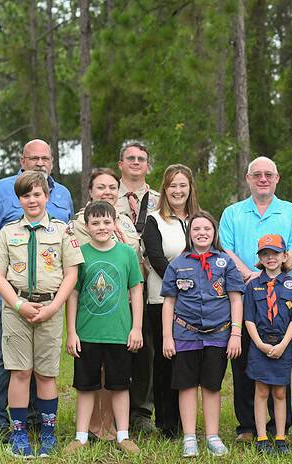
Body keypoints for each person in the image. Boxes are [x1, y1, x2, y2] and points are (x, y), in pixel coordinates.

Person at [0, 139, 74, 440]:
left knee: (40, 362)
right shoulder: (2, 190)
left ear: (52, 162)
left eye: (45, 158)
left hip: (49, 298)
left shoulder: (63, 194)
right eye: (34, 158)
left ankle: (33, 418)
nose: (40, 163)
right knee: (6, 359)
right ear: (22, 159)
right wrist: (5, 273)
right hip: (11, 296)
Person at [0, 171, 83, 457]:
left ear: (47, 197)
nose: (32, 200)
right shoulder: (8, 233)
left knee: (46, 374)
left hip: (49, 308)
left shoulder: (63, 231)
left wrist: (53, 307)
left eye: (37, 194)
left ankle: (48, 435)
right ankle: (19, 436)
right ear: (19, 200)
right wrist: (18, 305)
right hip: (17, 310)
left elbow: (71, 273)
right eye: (26, 195)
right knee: (20, 371)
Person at [219, 156, 292, 440]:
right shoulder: (232, 213)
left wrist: (275, 273)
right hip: (243, 295)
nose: (263, 179)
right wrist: (253, 275)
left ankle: (280, 426)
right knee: (245, 360)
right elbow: (226, 251)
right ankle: (248, 426)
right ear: (248, 178)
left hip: (281, 299)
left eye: (268, 174)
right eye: (256, 174)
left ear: (277, 178)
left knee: (279, 357)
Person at [161, 210, 245, 457]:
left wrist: (236, 334)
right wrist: (168, 336)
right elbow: (168, 302)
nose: (202, 233)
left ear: (214, 232)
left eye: (207, 229)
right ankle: (189, 437)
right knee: (186, 385)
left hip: (218, 334)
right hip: (185, 334)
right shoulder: (178, 264)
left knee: (211, 385)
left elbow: (236, 299)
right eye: (196, 229)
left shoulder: (225, 262)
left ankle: (212, 435)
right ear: (190, 234)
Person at [64, 201, 144, 455]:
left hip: (119, 332)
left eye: (106, 222)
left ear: (115, 224)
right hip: (87, 332)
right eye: (95, 223)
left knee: (119, 385)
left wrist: (137, 328)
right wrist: (72, 331)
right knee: (86, 386)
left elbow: (136, 291)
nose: (101, 227)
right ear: (86, 227)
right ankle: (81, 436)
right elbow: (73, 294)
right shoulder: (80, 255)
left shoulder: (126, 254)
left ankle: (122, 435)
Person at [142, 164, 199, 437]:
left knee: (189, 361)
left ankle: (186, 420)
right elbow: (155, 259)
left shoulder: (199, 219)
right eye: (172, 185)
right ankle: (166, 423)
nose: (178, 191)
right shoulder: (155, 220)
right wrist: (181, 286)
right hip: (162, 299)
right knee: (165, 360)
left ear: (190, 189)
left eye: (182, 185)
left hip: (198, 302)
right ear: (164, 189)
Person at [244, 234, 292, 455]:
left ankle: (280, 437)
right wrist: (259, 344)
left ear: (284, 256)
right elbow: (248, 318)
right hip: (259, 345)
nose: (270, 258)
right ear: (259, 257)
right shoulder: (253, 286)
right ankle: (261, 437)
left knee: (280, 392)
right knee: (261, 391)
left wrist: (283, 344)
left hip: (282, 345)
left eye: (275, 253)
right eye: (265, 254)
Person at [114, 141, 160, 433]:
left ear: (147, 165)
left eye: (141, 158)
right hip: (115, 286)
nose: (135, 162)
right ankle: (109, 410)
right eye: (129, 158)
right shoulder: (106, 195)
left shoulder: (160, 199)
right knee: (114, 347)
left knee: (147, 349)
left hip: (150, 284)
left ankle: (141, 411)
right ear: (120, 164)